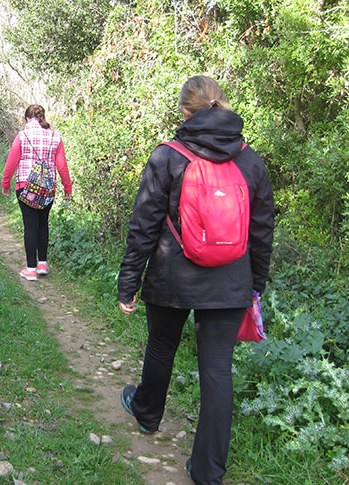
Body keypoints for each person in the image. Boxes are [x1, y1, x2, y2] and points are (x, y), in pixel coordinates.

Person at [117, 76, 274, 485]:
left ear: (185, 112)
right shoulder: (249, 160)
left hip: (173, 277)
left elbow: (144, 226)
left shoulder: (168, 156)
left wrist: (129, 282)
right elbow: (261, 229)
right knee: (218, 369)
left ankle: (147, 413)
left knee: (162, 345)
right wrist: (255, 283)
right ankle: (207, 471)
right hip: (230, 281)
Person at [1, 104, 72, 280]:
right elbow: (61, 165)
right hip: (48, 188)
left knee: (30, 226)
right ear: (43, 117)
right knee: (43, 224)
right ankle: (42, 264)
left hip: (25, 186)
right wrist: (67, 187)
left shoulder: (23, 136)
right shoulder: (55, 136)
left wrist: (5, 183)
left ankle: (31, 268)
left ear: (27, 119)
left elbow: (11, 162)